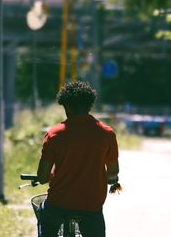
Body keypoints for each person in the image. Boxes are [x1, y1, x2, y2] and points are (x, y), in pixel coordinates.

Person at [36, 81, 119, 237]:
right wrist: (110, 179)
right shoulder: (106, 134)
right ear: (90, 106)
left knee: (47, 221)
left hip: (58, 204)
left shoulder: (54, 135)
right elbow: (113, 171)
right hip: (91, 206)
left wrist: (51, 176)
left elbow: (42, 177)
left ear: (66, 107)